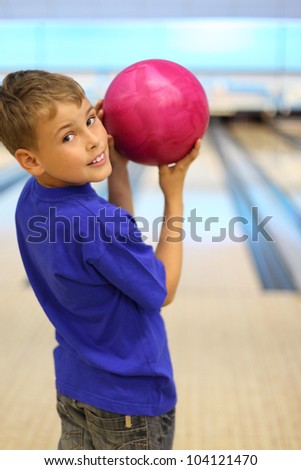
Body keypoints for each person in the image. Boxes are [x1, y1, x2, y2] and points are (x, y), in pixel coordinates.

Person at [0, 70, 200, 450]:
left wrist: (118, 168)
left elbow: (118, 242)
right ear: (31, 159)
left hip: (77, 385)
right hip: (132, 401)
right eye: (69, 136)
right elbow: (162, 289)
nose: (94, 140)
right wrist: (173, 197)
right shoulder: (99, 224)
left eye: (91, 119)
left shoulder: (31, 198)